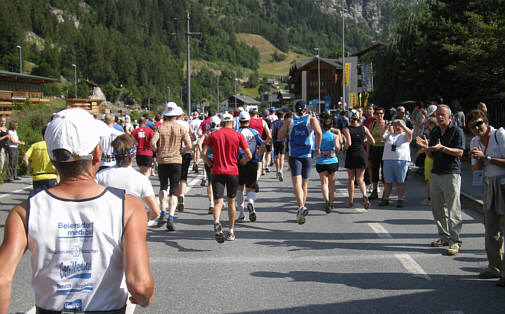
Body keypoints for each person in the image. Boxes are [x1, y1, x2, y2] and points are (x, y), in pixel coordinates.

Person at [0, 108, 153, 312]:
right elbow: (140, 285)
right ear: (97, 154)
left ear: (53, 159)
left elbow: (2, 278)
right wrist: (145, 298)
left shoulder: (24, 212)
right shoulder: (128, 206)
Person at [416, 105, 464, 256]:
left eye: (442, 115)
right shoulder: (435, 131)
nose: (439, 117)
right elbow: (431, 155)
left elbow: (460, 152)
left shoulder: (456, 131)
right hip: (436, 173)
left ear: (450, 117)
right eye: (437, 115)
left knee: (453, 209)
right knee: (437, 208)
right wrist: (426, 148)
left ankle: (455, 241)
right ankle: (444, 237)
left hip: (451, 174)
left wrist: (443, 148)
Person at [467, 109, 505, 285]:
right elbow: (477, 171)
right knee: (491, 229)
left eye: (479, 123)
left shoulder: (500, 135)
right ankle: (494, 267)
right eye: (472, 126)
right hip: (489, 184)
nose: (476, 128)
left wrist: (487, 157)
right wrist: (478, 161)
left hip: (503, 184)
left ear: (486, 121)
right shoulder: (475, 141)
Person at [202, 113, 252, 242]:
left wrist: (210, 164)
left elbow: (203, 153)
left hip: (217, 171)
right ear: (233, 123)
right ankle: (231, 231)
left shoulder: (214, 135)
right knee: (231, 202)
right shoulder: (238, 135)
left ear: (222, 123)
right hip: (232, 171)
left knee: (218, 201)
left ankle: (217, 221)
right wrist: (244, 161)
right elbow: (249, 155)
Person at [95, 133, 161, 227]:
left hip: (106, 226)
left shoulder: (100, 175)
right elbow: (156, 211)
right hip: (130, 226)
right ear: (134, 154)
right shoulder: (141, 179)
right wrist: (141, 219)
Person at [278, 100, 322, 224]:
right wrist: (318, 147)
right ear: (306, 110)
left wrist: (287, 132)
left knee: (296, 182)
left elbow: (280, 136)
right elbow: (319, 133)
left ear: (294, 110)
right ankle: (301, 209)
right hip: (308, 154)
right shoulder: (312, 119)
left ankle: (301, 207)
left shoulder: (289, 120)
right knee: (305, 184)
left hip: (294, 154)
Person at [150, 102, 192, 231]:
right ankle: (171, 217)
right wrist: (182, 151)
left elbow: (152, 142)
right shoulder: (181, 128)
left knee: (163, 186)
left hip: (163, 160)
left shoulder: (160, 128)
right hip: (176, 160)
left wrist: (157, 150)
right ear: (176, 115)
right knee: (174, 190)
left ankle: (162, 211)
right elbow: (190, 146)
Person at [236, 111, 265, 222]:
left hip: (239, 163)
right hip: (252, 162)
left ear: (239, 121)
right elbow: (263, 146)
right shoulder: (254, 132)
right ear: (249, 121)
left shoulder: (236, 132)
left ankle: (241, 214)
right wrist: (258, 154)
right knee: (250, 187)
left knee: (239, 188)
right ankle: (251, 203)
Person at [343, 109, 375, 209]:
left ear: (349, 118)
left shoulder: (347, 129)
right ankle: (365, 196)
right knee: (360, 179)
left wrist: (344, 147)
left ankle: (351, 201)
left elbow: (348, 143)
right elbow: (372, 141)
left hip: (352, 154)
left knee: (351, 179)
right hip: (361, 153)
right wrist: (362, 140)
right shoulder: (364, 128)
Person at [378, 119, 413, 207]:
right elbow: (380, 135)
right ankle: (386, 198)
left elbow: (410, 133)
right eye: (395, 125)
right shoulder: (389, 134)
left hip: (401, 160)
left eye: (399, 126)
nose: (397, 127)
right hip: (388, 160)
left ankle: (400, 199)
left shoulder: (405, 135)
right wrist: (386, 127)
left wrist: (402, 126)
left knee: (400, 181)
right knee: (388, 181)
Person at [316, 112, 340, 213]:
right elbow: (338, 148)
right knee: (332, 183)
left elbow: (315, 148)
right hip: (332, 161)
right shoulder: (334, 136)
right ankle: (331, 202)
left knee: (324, 183)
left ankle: (326, 201)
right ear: (331, 125)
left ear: (321, 125)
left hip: (321, 161)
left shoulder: (318, 136)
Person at [197, 115, 221, 214]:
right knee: (219, 181)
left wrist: (202, 153)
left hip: (208, 159)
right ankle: (218, 201)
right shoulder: (220, 133)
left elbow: (199, 143)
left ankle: (211, 203)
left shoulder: (207, 133)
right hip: (219, 159)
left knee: (210, 182)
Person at [175, 107, 196, 212]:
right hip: (186, 152)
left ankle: (175, 197)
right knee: (183, 176)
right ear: (182, 115)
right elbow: (193, 137)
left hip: (174, 152)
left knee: (175, 177)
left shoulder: (171, 124)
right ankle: (182, 196)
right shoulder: (186, 124)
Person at [416, 117, 438, 206]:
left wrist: (421, 150)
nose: (425, 126)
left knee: (429, 179)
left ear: (431, 124)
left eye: (427, 124)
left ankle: (430, 198)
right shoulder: (438, 131)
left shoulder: (434, 132)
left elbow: (429, 145)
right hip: (435, 157)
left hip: (430, 157)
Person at [367, 107, 386, 200]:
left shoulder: (387, 124)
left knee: (385, 171)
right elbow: (369, 139)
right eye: (377, 113)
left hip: (385, 149)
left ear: (384, 114)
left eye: (381, 113)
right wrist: (368, 152)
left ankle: (385, 193)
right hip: (375, 148)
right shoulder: (373, 124)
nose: (379, 115)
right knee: (375, 169)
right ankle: (374, 191)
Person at [271, 109, 287, 181]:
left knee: (277, 156)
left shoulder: (274, 123)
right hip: (283, 141)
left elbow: (271, 131)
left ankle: (277, 171)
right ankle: (281, 170)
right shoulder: (285, 122)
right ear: (283, 115)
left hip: (275, 141)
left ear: (277, 116)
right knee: (282, 157)